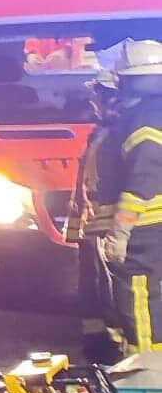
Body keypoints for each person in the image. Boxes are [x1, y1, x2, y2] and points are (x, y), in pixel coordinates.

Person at [65, 69, 125, 363]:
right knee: (93, 290)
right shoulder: (100, 133)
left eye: (98, 95)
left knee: (111, 292)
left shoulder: (119, 133)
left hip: (108, 229)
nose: (93, 102)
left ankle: (114, 347)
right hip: (93, 229)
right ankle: (96, 342)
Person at [106, 40, 162, 355]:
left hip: (149, 227)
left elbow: (145, 172)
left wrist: (122, 228)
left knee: (140, 296)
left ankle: (148, 371)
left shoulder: (145, 118)